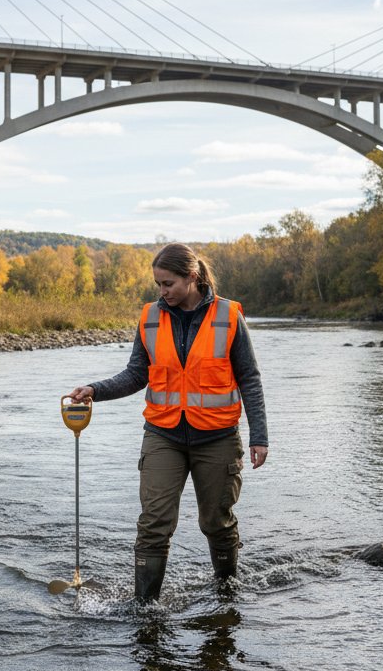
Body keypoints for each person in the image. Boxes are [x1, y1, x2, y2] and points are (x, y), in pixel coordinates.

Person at [69, 242, 268, 602]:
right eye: (158, 284)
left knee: (216, 522)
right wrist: (95, 390)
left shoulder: (228, 316)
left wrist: (259, 436)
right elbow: (135, 374)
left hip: (218, 437)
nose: (162, 291)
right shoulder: (149, 317)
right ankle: (145, 607)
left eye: (168, 284)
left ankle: (227, 594)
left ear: (191, 277)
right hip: (163, 435)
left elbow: (249, 378)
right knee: (154, 524)